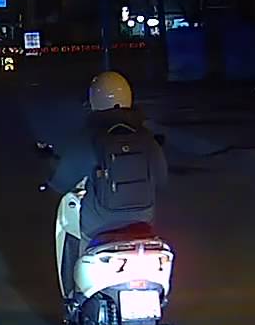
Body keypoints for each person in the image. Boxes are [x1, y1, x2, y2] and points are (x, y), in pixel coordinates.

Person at [44, 71, 168, 300]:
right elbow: (162, 179)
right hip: (142, 222)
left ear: (94, 101)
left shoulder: (88, 138)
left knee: (79, 248)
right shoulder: (146, 137)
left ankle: (77, 299)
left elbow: (62, 183)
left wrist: (50, 185)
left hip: (99, 226)